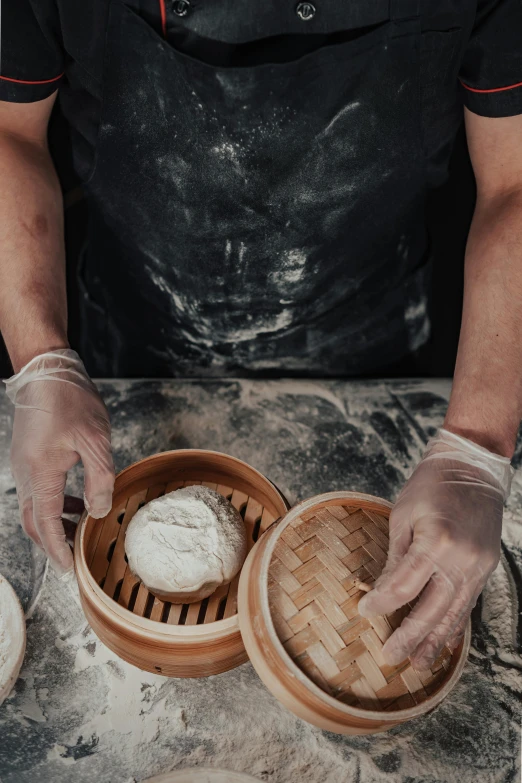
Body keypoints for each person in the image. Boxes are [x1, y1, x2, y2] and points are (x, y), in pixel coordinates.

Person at [0, 1, 520, 671]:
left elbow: (514, 182)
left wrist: (478, 446)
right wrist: (40, 356)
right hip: (128, 356)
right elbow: (11, 132)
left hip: (376, 355)